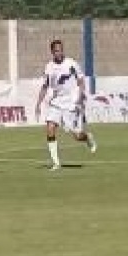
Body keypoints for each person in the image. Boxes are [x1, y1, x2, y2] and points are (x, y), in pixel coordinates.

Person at [34, 39, 98, 170]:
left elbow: (81, 80)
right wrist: (38, 104)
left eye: (61, 50)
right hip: (56, 102)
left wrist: (80, 95)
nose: (59, 53)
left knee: (77, 136)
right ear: (52, 52)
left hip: (70, 103)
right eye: (56, 51)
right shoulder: (49, 67)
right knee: (50, 127)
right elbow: (45, 86)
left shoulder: (71, 64)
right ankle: (56, 163)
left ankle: (87, 138)